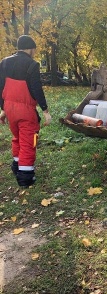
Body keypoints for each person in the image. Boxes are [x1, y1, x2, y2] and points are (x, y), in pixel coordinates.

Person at [0, 35, 51, 188]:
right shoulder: (32, 65)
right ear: (30, 48)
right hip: (26, 110)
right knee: (29, 141)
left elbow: (0, 86)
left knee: (17, 137)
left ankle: (16, 165)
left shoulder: (4, 62)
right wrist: (45, 110)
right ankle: (25, 177)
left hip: (9, 108)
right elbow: (36, 89)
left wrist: (3, 109)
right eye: (34, 49)